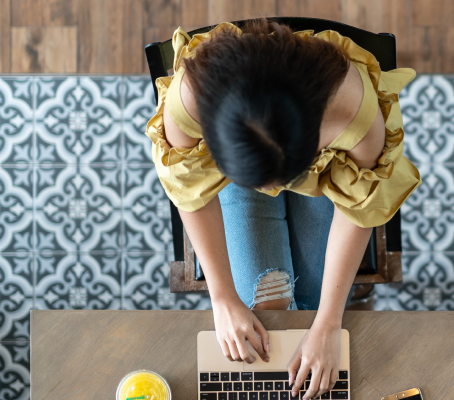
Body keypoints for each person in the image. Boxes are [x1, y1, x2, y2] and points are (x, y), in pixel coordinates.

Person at [144, 18, 419, 400]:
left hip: (325, 179)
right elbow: (191, 192)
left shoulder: (350, 110)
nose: (271, 191)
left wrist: (327, 324)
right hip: (238, 173)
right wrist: (221, 296)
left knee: (310, 306)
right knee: (269, 311)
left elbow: (358, 208)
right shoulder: (192, 96)